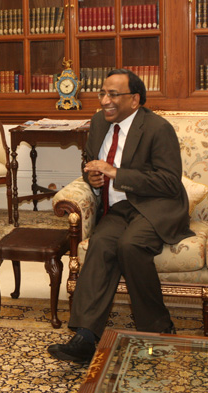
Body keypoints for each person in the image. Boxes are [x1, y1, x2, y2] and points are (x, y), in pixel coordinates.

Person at [47, 69, 194, 363]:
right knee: (101, 245)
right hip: (118, 209)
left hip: (156, 206)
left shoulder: (157, 128)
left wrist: (116, 173)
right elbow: (91, 163)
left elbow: (168, 182)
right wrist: (93, 178)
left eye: (113, 94)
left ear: (135, 99)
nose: (104, 100)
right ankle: (86, 337)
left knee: (130, 245)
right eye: (102, 93)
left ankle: (159, 329)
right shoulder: (100, 123)